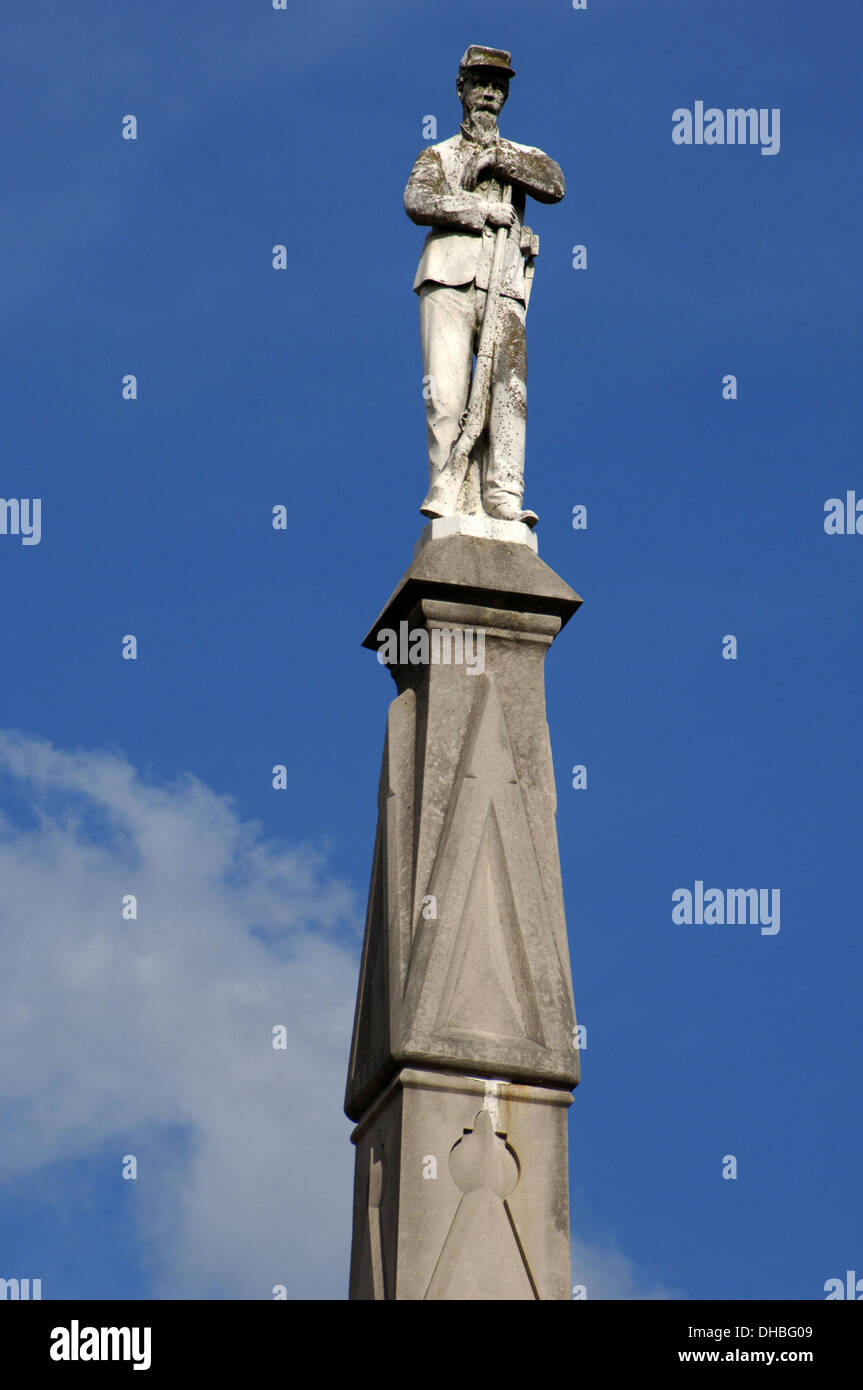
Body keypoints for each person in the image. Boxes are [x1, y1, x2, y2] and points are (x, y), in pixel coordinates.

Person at [404, 45, 565, 526]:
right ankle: (448, 490)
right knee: (447, 395)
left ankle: (504, 495)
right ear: (461, 88)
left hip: (504, 285)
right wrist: (480, 212)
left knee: (509, 390)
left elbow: (554, 182)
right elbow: (417, 200)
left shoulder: (520, 154)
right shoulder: (439, 154)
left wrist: (500, 159)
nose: (490, 93)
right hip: (448, 280)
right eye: (480, 83)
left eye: (499, 86)